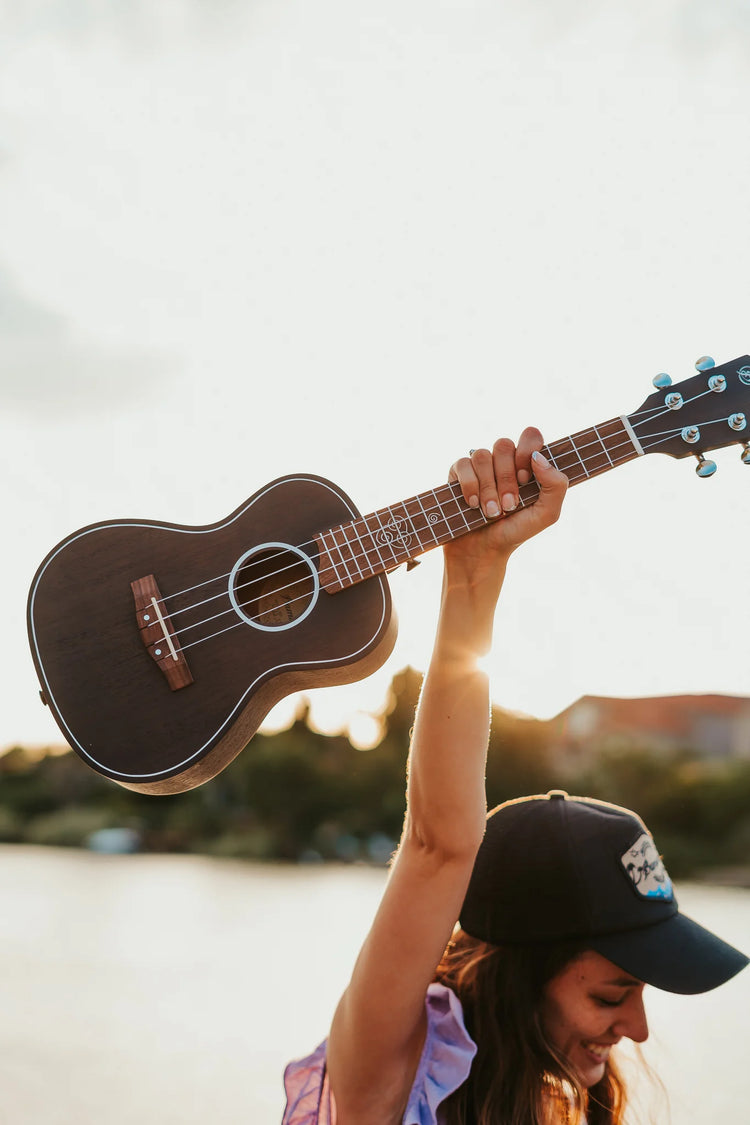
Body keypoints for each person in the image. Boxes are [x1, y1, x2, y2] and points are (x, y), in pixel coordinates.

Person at [282, 431, 748, 1125]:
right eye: (611, 995)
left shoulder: (547, 1104)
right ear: (520, 976)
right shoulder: (392, 1076)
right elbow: (438, 844)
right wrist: (474, 570)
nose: (640, 1029)